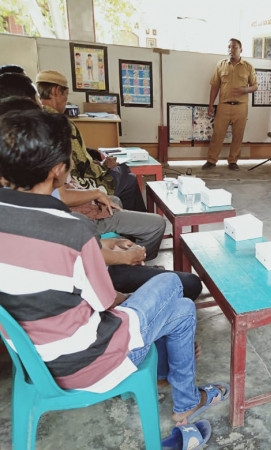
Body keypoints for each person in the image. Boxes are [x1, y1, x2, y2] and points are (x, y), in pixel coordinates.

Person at [0, 108, 227, 425]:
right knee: (173, 287)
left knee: (182, 310)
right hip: (89, 363)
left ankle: (184, 399)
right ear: (58, 170)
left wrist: (103, 251)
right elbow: (107, 301)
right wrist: (136, 281)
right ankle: (181, 393)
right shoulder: (69, 230)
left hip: (33, 362)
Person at [0, 94, 166, 261]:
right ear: (58, 169)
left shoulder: (15, 202)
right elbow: (86, 260)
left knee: (115, 199)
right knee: (155, 222)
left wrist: (109, 245)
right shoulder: (73, 224)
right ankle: (140, 263)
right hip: (90, 236)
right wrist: (126, 258)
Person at [35, 69, 147, 212]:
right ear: (56, 91)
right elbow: (83, 167)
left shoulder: (34, 117)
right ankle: (136, 224)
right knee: (126, 176)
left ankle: (132, 223)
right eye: (66, 95)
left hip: (49, 183)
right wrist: (104, 165)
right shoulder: (61, 123)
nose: (66, 101)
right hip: (73, 184)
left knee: (123, 173)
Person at [203, 38, 258, 171]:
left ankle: (233, 161)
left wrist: (244, 90)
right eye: (229, 47)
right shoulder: (221, 65)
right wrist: (211, 105)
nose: (230, 50)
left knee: (238, 135)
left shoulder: (248, 67)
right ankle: (211, 160)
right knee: (217, 134)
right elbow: (215, 86)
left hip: (241, 107)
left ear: (241, 49)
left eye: (234, 47)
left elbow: (255, 86)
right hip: (224, 106)